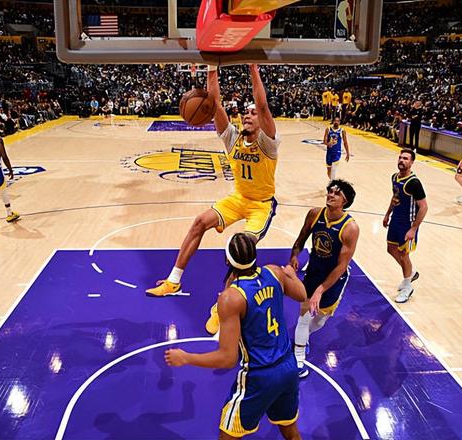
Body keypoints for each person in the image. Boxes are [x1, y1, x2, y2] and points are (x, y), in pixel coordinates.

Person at [147, 64, 280, 312]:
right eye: (245, 112)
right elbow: (215, 104)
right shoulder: (232, 138)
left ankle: (224, 307)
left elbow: (263, 106)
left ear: (262, 121)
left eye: (253, 114)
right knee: (199, 222)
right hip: (238, 198)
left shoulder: (268, 142)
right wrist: (211, 68)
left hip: (261, 205)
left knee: (241, 249)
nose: (248, 115)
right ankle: (173, 281)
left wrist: (253, 68)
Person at [165, 233, 306, 439]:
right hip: (288, 368)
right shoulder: (274, 272)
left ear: (227, 260)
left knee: (227, 435)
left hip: (259, 376)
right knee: (291, 433)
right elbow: (302, 295)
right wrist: (291, 275)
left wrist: (186, 357)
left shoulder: (232, 297)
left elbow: (227, 358)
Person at [289, 179, 359, 378]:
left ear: (345, 201)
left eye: (337, 193)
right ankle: (298, 357)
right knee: (304, 316)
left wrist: (321, 290)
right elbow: (301, 238)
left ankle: (304, 337)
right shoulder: (314, 214)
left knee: (319, 321)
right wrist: (294, 255)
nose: (331, 195)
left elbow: (341, 266)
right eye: (330, 191)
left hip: (334, 279)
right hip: (313, 272)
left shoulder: (350, 228)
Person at [383, 150, 428, 303]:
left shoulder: (414, 183)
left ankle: (407, 286)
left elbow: (424, 207)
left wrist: (414, 229)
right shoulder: (394, 177)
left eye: (406, 158)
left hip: (407, 224)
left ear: (412, 162)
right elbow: (395, 197)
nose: (402, 160)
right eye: (400, 157)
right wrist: (387, 214)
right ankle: (411, 273)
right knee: (391, 249)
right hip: (395, 219)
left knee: (403, 255)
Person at [322, 116, 350, 182]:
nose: (336, 122)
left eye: (338, 121)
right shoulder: (328, 129)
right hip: (329, 153)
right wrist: (328, 143)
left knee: (334, 170)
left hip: (337, 153)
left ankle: (332, 184)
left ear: (339, 122)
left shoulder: (342, 131)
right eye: (335, 121)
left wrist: (348, 153)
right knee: (329, 171)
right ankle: (332, 181)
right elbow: (324, 141)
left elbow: (345, 142)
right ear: (333, 121)